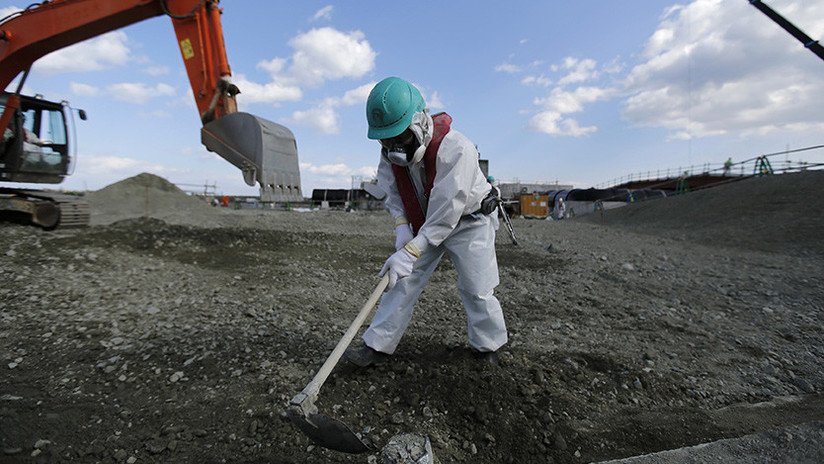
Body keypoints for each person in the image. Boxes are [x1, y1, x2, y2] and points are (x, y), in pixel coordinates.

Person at [345, 77, 507, 367]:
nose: (395, 148)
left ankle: (487, 349)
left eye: (401, 138)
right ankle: (377, 347)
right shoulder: (390, 155)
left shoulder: (456, 149)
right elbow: (392, 192)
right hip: (425, 222)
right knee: (400, 281)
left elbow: (448, 210)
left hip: (470, 220)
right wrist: (401, 226)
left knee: (477, 286)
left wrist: (411, 251)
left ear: (419, 122)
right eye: (387, 140)